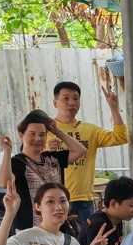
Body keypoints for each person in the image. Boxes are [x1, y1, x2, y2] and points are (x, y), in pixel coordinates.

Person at [0, 110, 88, 231]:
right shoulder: (17, 163)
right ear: (21, 135)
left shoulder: (52, 159)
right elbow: (4, 183)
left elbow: (80, 150)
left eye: (42, 134)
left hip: (57, 228)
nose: (38, 139)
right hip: (29, 230)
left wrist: (57, 132)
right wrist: (7, 152)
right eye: (32, 134)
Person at [50, 81, 128, 222]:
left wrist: (113, 108)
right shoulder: (46, 130)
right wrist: (47, 151)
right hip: (54, 200)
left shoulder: (90, 130)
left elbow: (120, 137)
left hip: (83, 200)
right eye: (66, 98)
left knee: (86, 236)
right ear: (55, 103)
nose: (71, 103)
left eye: (75, 98)